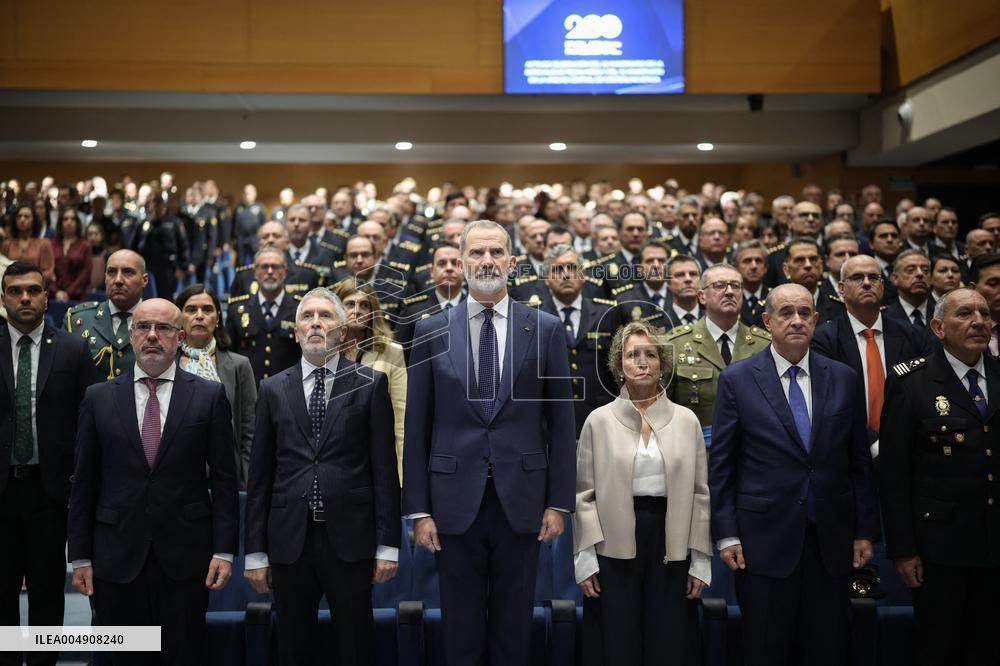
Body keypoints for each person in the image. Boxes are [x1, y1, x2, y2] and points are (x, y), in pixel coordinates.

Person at [403, 219, 576, 666]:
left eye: (496, 253)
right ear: (460, 264)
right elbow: (417, 425)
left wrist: (558, 503)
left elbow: (561, 423)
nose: (486, 261)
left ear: (512, 263)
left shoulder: (545, 328)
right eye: (476, 254)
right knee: (459, 632)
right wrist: (419, 510)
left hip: (522, 501)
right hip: (451, 502)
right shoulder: (429, 331)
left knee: (514, 630)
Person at [709, 283, 879, 666]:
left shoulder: (843, 377)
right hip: (761, 542)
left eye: (805, 313)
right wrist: (726, 533)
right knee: (766, 647)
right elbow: (722, 466)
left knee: (827, 647)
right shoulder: (738, 378)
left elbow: (858, 462)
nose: (797, 321)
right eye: (786, 313)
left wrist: (865, 529)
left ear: (817, 320)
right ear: (768, 321)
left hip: (831, 541)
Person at [68, 298, 240, 666]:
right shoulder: (98, 398)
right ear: (131, 335)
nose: (152, 336)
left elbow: (225, 481)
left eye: (163, 329)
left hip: (185, 556)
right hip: (115, 556)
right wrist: (79, 555)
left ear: (180, 338)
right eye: (143, 327)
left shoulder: (209, 396)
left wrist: (224, 551)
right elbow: (84, 482)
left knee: (182, 655)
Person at [244, 288, 400, 666]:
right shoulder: (272, 388)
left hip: (350, 538)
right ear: (296, 331)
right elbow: (260, 476)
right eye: (307, 317)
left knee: (356, 645)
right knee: (293, 648)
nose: (316, 323)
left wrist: (388, 545)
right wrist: (254, 552)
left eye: (325, 316)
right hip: (288, 539)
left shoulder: (370, 383)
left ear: (342, 329)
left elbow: (383, 467)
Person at [574, 321, 710, 665]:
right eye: (633, 355)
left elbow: (700, 494)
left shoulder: (686, 420)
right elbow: (583, 496)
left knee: (669, 640)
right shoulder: (598, 420)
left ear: (663, 364)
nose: (642, 361)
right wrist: (585, 558)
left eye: (651, 354)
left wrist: (701, 560)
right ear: (620, 366)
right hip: (614, 543)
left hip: (672, 540)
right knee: (618, 640)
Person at [879, 288, 1000, 666]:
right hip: (940, 547)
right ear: (938, 327)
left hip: (996, 542)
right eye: (965, 314)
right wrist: (903, 549)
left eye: (984, 313)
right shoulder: (911, 381)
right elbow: (895, 475)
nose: (979, 321)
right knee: (940, 646)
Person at [0, 261, 98, 666]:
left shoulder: (74, 350)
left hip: (50, 492)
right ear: (4, 298)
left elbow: (89, 422)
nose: (25, 297)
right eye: (16, 290)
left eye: (33, 290)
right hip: (1, 491)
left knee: (46, 593)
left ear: (46, 296)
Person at [811, 255, 933, 458]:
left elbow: (924, 392)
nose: (867, 283)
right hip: (847, 452)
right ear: (841, 288)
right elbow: (828, 400)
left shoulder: (913, 336)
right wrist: (873, 442)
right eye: (858, 277)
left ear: (883, 285)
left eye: (873, 277)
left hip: (908, 449)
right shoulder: (823, 339)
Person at [666, 264, 771, 437]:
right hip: (698, 451)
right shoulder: (676, 344)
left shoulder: (764, 344)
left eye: (735, 286)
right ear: (702, 296)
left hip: (753, 451)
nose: (729, 291)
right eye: (719, 285)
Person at [177, 284, 257, 490]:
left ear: (218, 318)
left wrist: (245, 483)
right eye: (191, 309)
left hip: (225, 477)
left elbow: (249, 431)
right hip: (174, 476)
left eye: (207, 309)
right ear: (179, 317)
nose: (200, 315)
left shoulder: (239, 365)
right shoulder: (166, 364)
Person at [332, 278, 407, 483]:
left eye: (364, 305)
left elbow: (401, 417)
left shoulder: (391, 352)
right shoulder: (324, 352)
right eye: (350, 304)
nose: (357, 311)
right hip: (332, 459)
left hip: (376, 459)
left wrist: (401, 475)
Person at [66, 249, 147, 380]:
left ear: (144, 280)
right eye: (111, 272)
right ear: (105, 278)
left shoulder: (160, 322)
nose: (118, 280)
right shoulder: (77, 320)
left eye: (128, 272)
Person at [226, 246, 302, 384]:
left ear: (285, 272)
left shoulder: (300, 309)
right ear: (255, 273)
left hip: (288, 390)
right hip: (250, 392)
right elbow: (229, 357)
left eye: (275, 267)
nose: (270, 272)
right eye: (264, 267)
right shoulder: (237, 310)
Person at [394, 242, 466, 361]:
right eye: (442, 263)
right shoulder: (412, 310)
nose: (449, 268)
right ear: (432, 272)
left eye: (455, 263)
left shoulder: (477, 307)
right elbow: (401, 358)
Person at [3, 205, 55, 287]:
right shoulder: (7, 244)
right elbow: (2, 269)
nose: (22, 219)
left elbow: (49, 272)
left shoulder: (44, 243)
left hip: (35, 289)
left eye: (26, 216)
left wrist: (27, 281)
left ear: (34, 220)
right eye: (19, 216)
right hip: (12, 289)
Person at [49, 207, 92, 302]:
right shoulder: (51, 244)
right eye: (65, 219)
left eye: (72, 219)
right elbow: (48, 271)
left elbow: (85, 273)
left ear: (77, 223)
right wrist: (56, 292)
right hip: (53, 296)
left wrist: (68, 293)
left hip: (77, 297)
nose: (69, 222)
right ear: (60, 223)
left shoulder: (85, 245)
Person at [885, 249, 934, 329]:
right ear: (895, 279)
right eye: (910, 270)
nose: (920, 274)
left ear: (931, 278)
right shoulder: (884, 316)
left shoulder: (942, 315)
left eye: (925, 270)